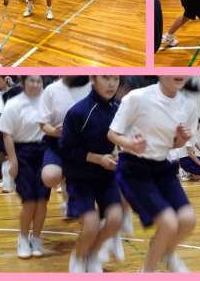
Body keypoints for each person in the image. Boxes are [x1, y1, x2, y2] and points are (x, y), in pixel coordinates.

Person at [108, 76, 198, 272]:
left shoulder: (189, 106)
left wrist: (181, 140)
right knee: (168, 223)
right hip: (133, 168)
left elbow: (173, 144)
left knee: (188, 220)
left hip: (162, 167)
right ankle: (146, 271)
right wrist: (130, 144)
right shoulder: (136, 97)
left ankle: (167, 253)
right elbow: (112, 134)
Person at [60, 76, 123, 273]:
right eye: (106, 78)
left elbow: (122, 139)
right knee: (91, 225)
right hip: (80, 176)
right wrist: (98, 159)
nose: (111, 84)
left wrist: (118, 156)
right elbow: (66, 150)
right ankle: (78, 257)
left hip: (106, 176)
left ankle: (93, 254)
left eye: (115, 79)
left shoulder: (120, 109)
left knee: (115, 218)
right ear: (93, 79)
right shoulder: (78, 112)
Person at [0, 76, 49, 259]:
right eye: (32, 81)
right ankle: (23, 238)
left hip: (44, 151)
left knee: (42, 201)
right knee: (29, 201)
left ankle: (37, 238)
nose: (36, 84)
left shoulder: (47, 100)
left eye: (39, 81)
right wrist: (13, 161)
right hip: (23, 153)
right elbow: (6, 134)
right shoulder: (14, 104)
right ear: (24, 82)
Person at [38, 76, 91, 217]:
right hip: (56, 142)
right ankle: (65, 181)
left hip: (83, 144)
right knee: (50, 176)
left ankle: (73, 197)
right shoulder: (51, 90)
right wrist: (54, 131)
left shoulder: (92, 87)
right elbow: (43, 124)